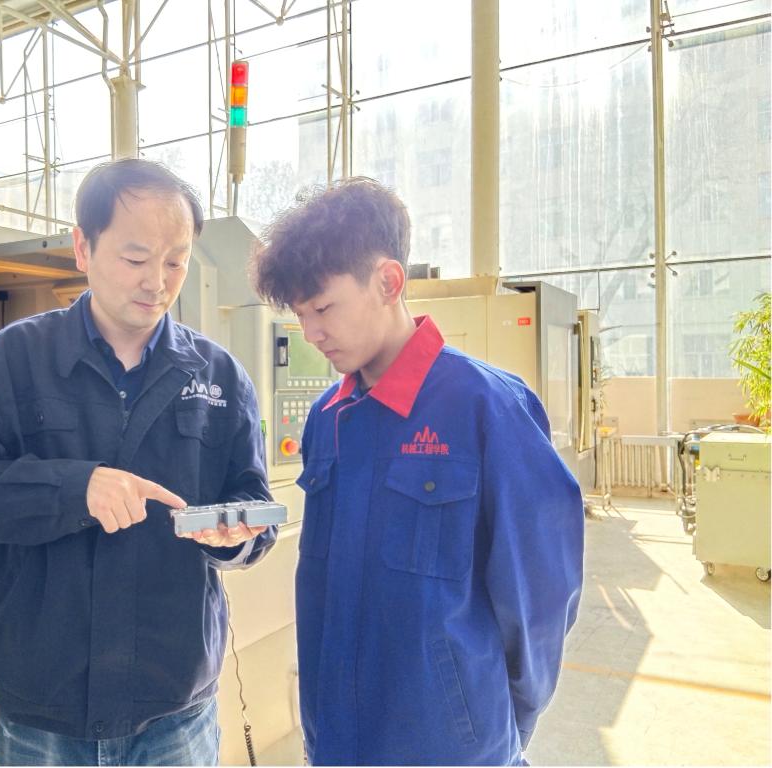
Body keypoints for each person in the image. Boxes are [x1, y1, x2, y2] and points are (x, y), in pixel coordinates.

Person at [0, 158, 276, 766]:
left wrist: (236, 537)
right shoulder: (16, 359)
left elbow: (254, 505)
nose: (157, 282)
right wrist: (73, 489)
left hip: (173, 709)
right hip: (42, 709)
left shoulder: (219, 376)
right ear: (83, 247)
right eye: (135, 259)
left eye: (176, 262)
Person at [249, 177, 584, 766]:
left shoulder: (487, 408)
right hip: (336, 742)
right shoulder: (327, 419)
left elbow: (540, 600)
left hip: (450, 748)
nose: (312, 333)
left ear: (388, 282)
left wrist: (493, 725)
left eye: (323, 308)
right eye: (301, 315)